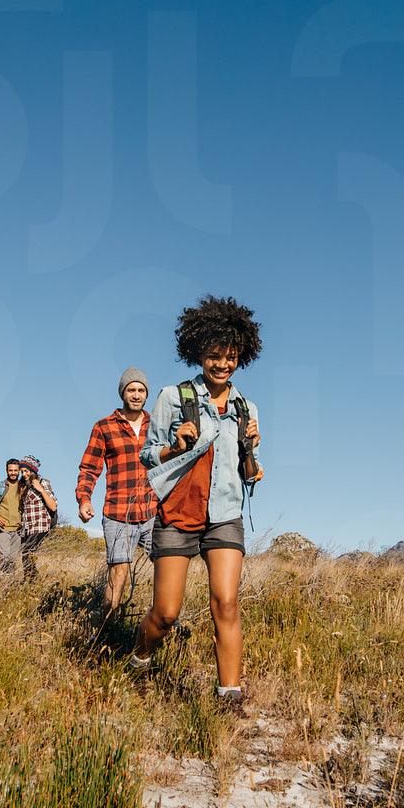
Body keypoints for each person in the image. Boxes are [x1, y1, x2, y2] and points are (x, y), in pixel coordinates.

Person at [133, 295, 263, 709]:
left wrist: (252, 453)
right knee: (165, 613)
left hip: (225, 515)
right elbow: (148, 455)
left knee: (226, 603)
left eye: (231, 357)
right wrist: (176, 446)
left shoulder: (245, 407)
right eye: (214, 356)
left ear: (241, 356)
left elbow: (247, 472)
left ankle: (230, 698)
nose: (222, 364)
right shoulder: (173, 397)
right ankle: (138, 661)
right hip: (178, 512)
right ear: (198, 353)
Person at [76, 367, 159, 611]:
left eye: (141, 390)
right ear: (123, 393)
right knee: (119, 570)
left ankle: (166, 621)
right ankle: (108, 623)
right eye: (131, 390)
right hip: (118, 512)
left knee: (167, 566)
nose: (136, 395)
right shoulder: (104, 426)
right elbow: (89, 467)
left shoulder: (158, 425)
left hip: (154, 511)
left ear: (146, 394)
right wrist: (84, 499)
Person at [14, 454, 58, 580]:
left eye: (26, 471)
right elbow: (22, 507)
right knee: (26, 554)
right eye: (22, 471)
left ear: (32, 470)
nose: (24, 474)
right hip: (27, 526)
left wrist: (41, 489)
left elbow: (53, 506)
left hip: (40, 525)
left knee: (28, 551)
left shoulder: (43, 482)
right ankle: (31, 579)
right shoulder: (23, 486)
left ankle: (32, 579)